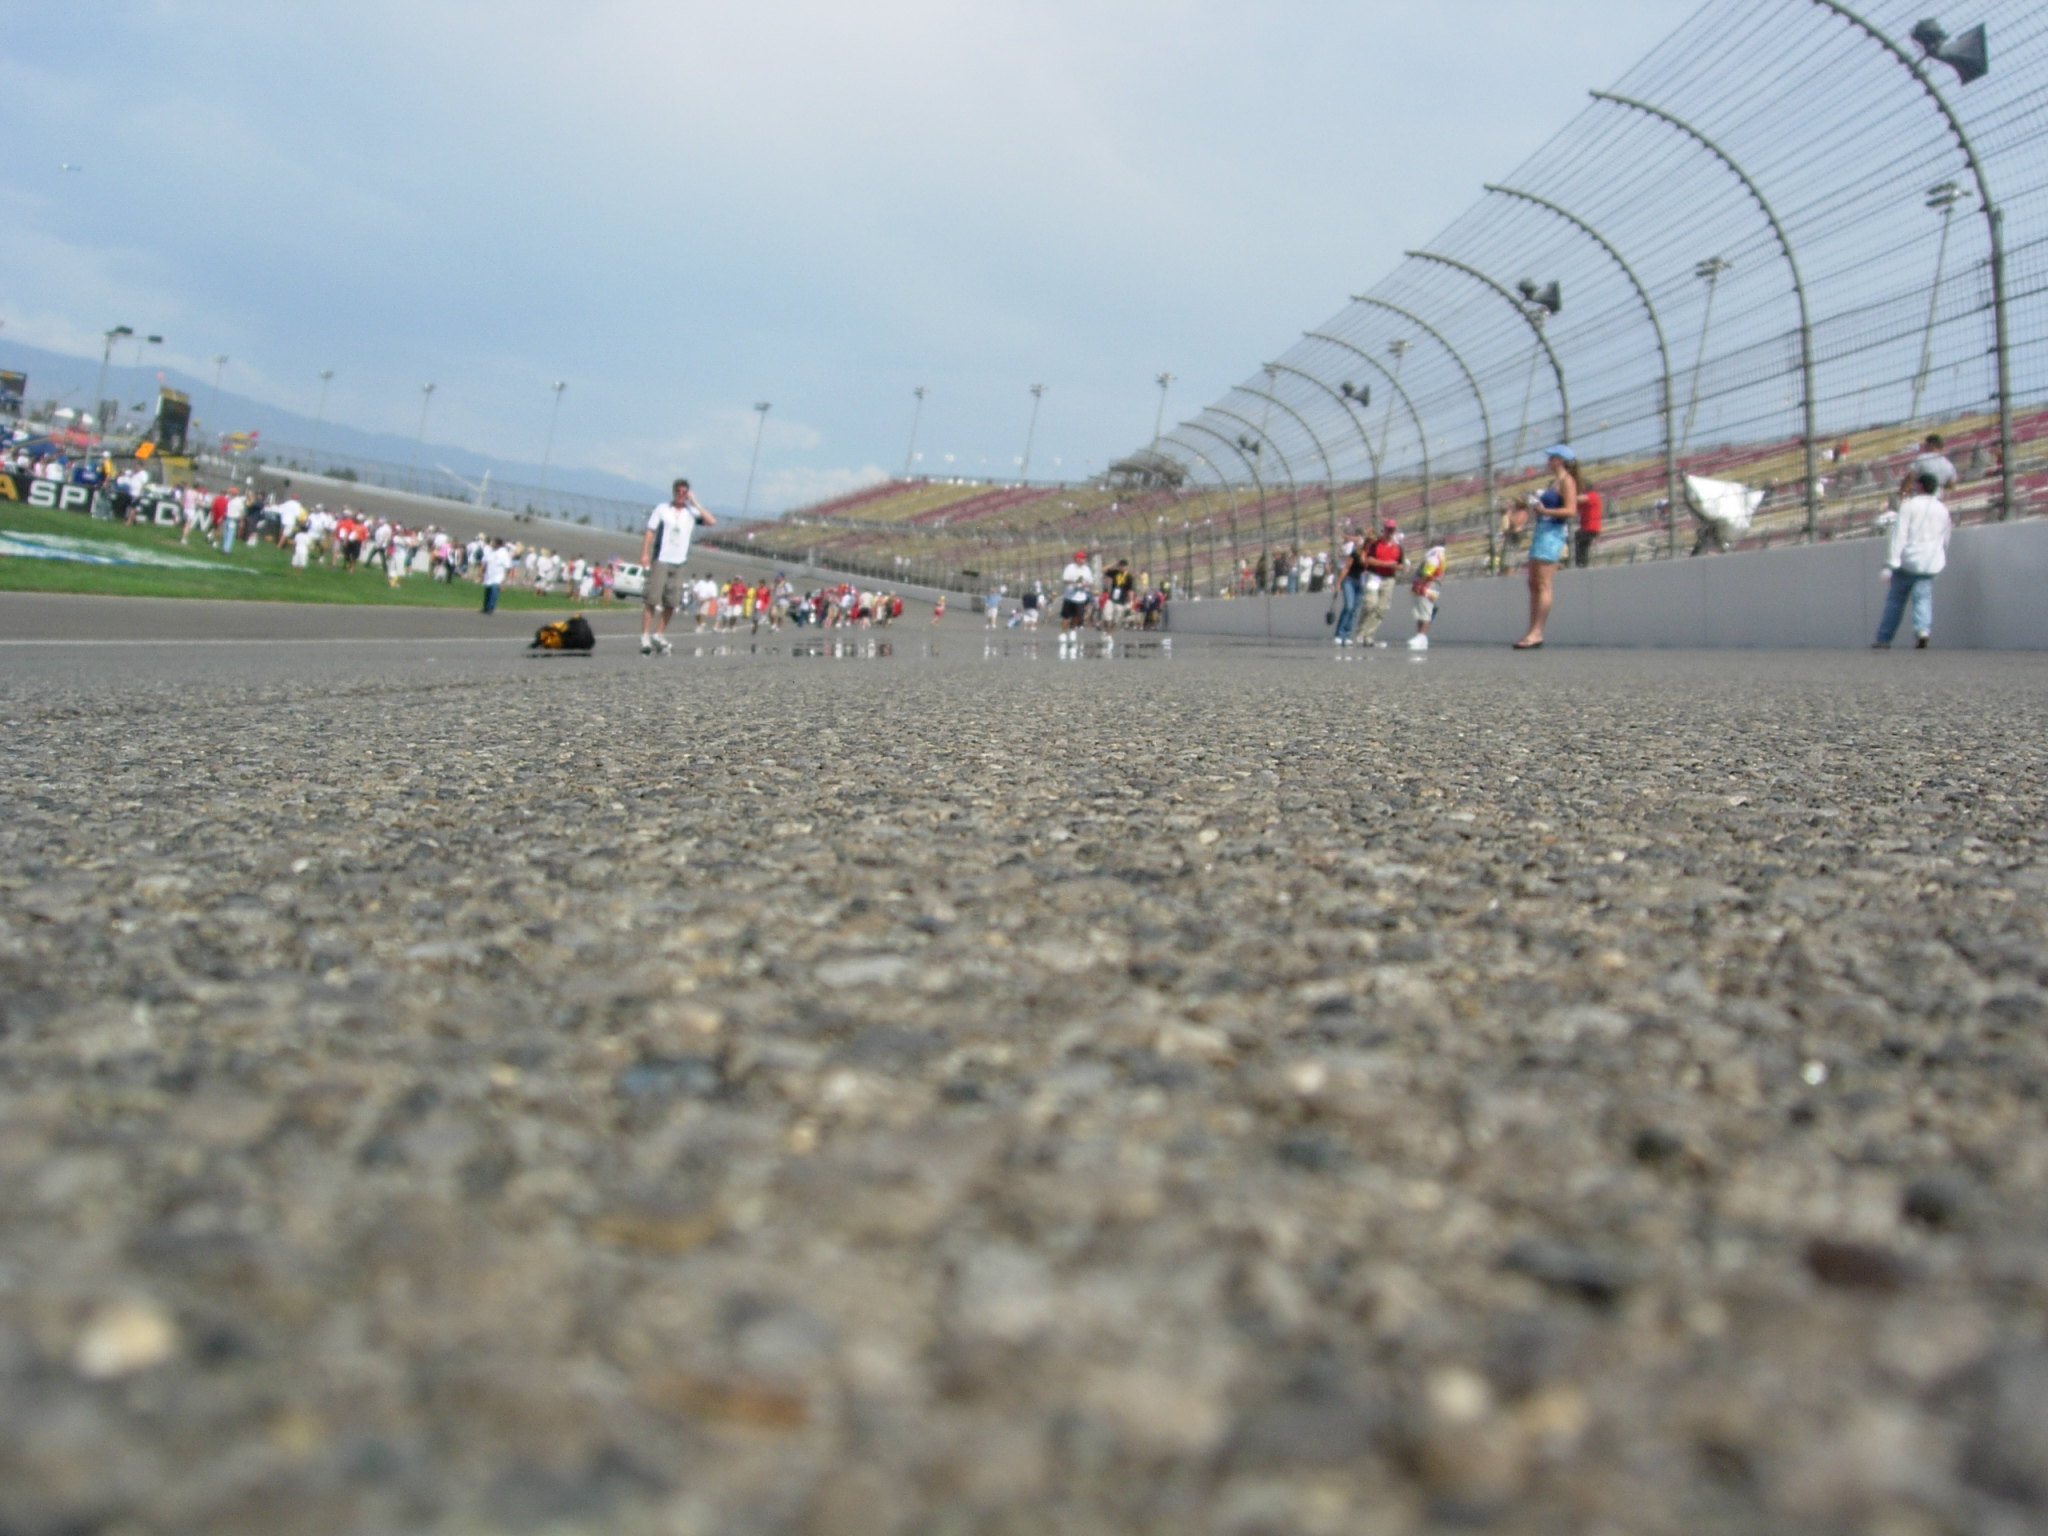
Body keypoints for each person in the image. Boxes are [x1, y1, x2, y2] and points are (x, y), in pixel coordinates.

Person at [1873, 471, 1951, 650]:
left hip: (1908, 561)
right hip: (1931, 562)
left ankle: (1884, 638)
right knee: (1923, 598)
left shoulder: (1909, 506)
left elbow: (1898, 535)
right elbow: (1946, 537)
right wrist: (1941, 554)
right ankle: (1923, 631)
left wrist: (1891, 563)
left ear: (1920, 486)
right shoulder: (1942, 508)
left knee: (1895, 601)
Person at [1514, 446, 1580, 650]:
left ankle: (1537, 632)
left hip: (1552, 534)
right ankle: (1532, 629)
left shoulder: (1567, 481)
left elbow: (1570, 510)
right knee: (1533, 582)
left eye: (1552, 458)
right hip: (1542, 531)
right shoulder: (1554, 482)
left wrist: (1545, 509)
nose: (1548, 461)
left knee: (1543, 583)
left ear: (1560, 460)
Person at [640, 478, 715, 655]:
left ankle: (659, 634)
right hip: (661, 559)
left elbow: (711, 521)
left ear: (687, 494)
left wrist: (695, 502)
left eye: (684, 493)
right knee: (652, 598)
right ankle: (645, 635)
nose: (681, 496)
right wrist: (644, 553)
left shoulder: (691, 512)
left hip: (679, 561)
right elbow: (650, 531)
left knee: (671, 602)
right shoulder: (662, 509)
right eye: (678, 492)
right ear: (673, 492)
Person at [1355, 519, 1406, 647]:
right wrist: (1386, 564)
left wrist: (1395, 567)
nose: (1390, 532)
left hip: (1389, 579)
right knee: (1370, 604)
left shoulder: (1398, 548)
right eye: (1388, 530)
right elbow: (1369, 560)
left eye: (1392, 530)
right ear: (1384, 530)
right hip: (1375, 576)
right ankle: (1361, 630)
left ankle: (1369, 635)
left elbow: (1401, 565)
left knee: (1382, 608)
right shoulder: (1376, 544)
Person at [1407, 542, 1446, 651]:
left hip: (1426, 587)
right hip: (1430, 587)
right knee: (1423, 612)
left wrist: (1419, 583)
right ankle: (1420, 636)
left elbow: (1428, 572)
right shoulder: (1440, 555)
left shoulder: (1434, 555)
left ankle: (1421, 636)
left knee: (1424, 612)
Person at [1898, 433, 1957, 501]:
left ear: (1931, 445)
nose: (1924, 447)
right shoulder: (1948, 465)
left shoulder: (1921, 459)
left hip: (1920, 499)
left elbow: (1910, 479)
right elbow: (1951, 486)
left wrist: (1902, 495)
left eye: (1926, 445)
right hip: (1938, 500)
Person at [1059, 550, 1096, 634]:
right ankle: (1063, 633)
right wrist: (1074, 582)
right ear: (1077, 559)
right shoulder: (1070, 567)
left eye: (1084, 558)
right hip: (1069, 596)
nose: (1084, 560)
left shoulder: (1086, 569)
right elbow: (1065, 579)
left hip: (1081, 597)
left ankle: (1072, 629)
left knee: (1079, 616)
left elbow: (1090, 582)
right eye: (1082, 558)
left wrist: (1085, 584)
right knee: (1066, 616)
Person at [479, 536, 515, 614]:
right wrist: (482, 572)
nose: (492, 544)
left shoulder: (503, 553)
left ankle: (490, 608)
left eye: (493, 543)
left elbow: (508, 567)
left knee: (494, 592)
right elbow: (485, 561)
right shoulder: (491, 551)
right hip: (489, 575)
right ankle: (485, 607)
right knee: (487, 592)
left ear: (498, 544)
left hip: (498, 577)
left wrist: (504, 581)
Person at [1573, 481, 1603, 567]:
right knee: (1583, 546)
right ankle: (1582, 564)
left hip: (1590, 527)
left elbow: (1579, 499)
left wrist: (1568, 495)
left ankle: (1579, 563)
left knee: (1574, 539)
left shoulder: (1592, 495)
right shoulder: (1588, 497)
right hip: (1588, 527)